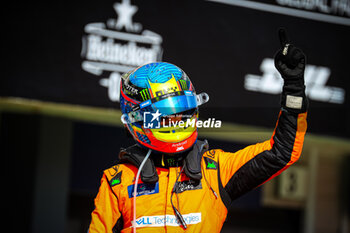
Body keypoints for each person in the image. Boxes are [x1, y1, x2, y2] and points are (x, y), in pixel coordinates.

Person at [88, 29, 308, 233]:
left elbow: (281, 153)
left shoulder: (216, 170)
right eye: (166, 115)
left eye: (182, 111)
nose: (176, 121)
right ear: (136, 119)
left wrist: (294, 88)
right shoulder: (118, 182)